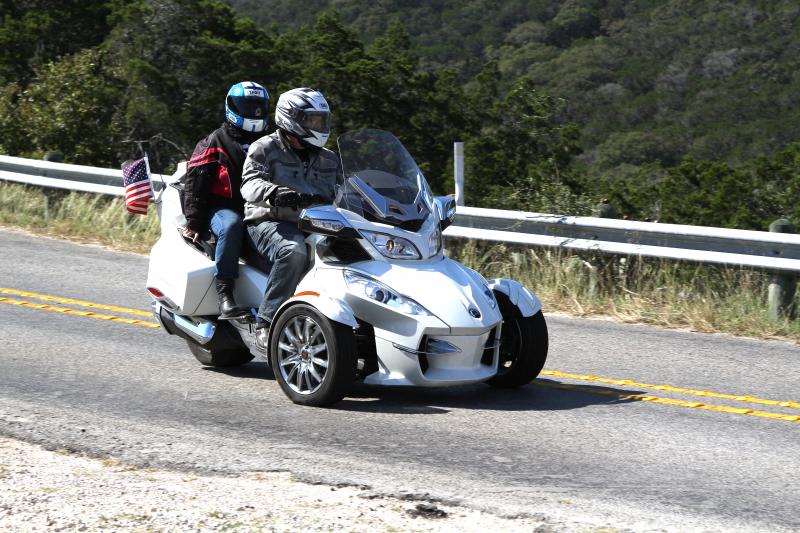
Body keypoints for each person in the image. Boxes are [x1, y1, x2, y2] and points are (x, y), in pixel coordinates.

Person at [240, 87, 341, 346]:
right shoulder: (264, 148)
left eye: (320, 120)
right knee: (294, 251)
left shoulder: (329, 159)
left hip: (316, 224)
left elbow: (346, 190)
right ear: (291, 118)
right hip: (268, 220)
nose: (318, 125)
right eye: (312, 120)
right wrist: (274, 192)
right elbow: (249, 184)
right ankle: (267, 321)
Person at [181, 81, 269, 319]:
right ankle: (225, 294)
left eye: (258, 107)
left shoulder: (270, 141)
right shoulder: (216, 141)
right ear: (232, 107)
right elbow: (196, 182)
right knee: (232, 225)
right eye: (247, 106)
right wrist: (195, 222)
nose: (254, 113)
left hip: (259, 209)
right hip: (222, 208)